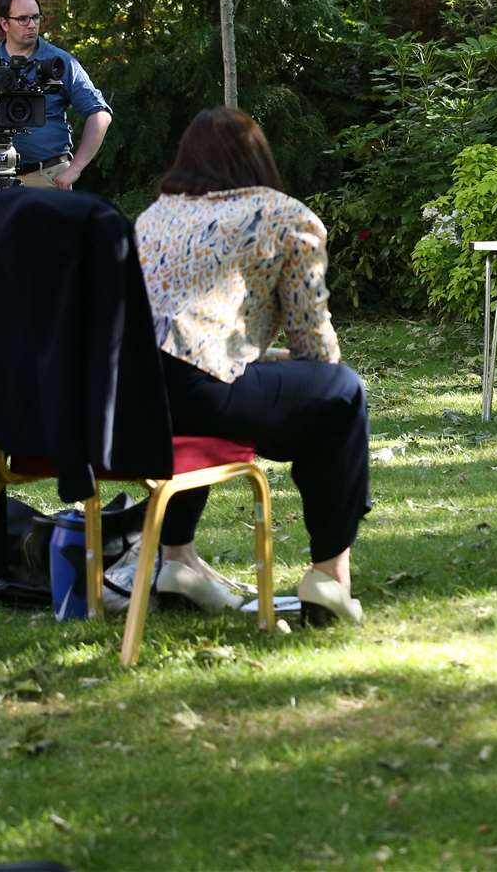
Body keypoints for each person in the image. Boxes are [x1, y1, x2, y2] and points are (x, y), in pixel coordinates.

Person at [134, 107, 371, 625]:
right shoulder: (285, 215)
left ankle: (177, 561)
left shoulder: (154, 217)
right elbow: (315, 345)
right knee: (341, 392)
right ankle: (330, 578)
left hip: (134, 392)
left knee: (216, 396)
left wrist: (264, 357)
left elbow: (179, 328)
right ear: (257, 156)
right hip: (202, 386)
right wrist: (303, 361)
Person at [0, 0, 111, 190]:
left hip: (48, 176)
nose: (32, 25)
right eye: (23, 19)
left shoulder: (59, 63)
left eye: (35, 17)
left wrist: (75, 168)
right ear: (4, 23)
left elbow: (99, 114)